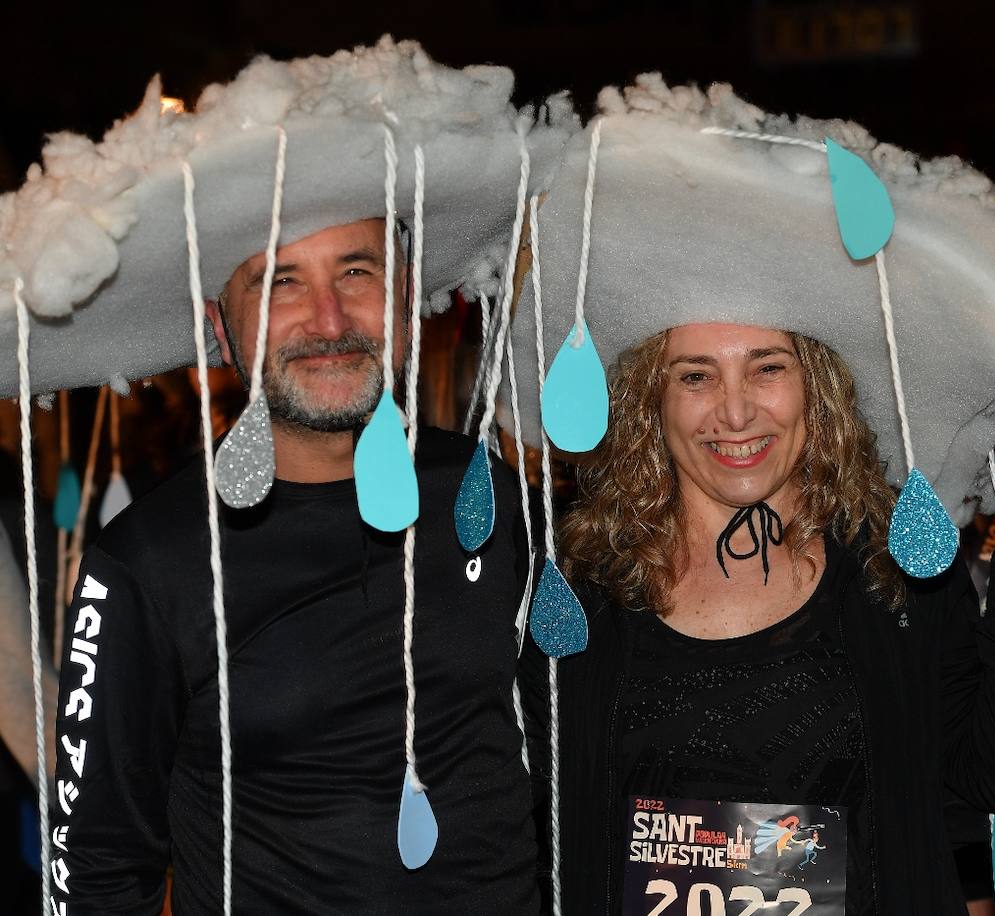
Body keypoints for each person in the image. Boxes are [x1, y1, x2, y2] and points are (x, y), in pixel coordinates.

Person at [5, 41, 577, 914]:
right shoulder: (146, 565)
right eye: (280, 283)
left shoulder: (484, 493)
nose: (329, 318)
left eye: (358, 270)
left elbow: (565, 744)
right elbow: (94, 867)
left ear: (407, 294)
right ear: (221, 327)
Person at [509, 77, 995, 915]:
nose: (735, 412)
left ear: (816, 387)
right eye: (696, 376)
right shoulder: (580, 591)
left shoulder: (898, 576)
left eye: (767, 368)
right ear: (649, 404)